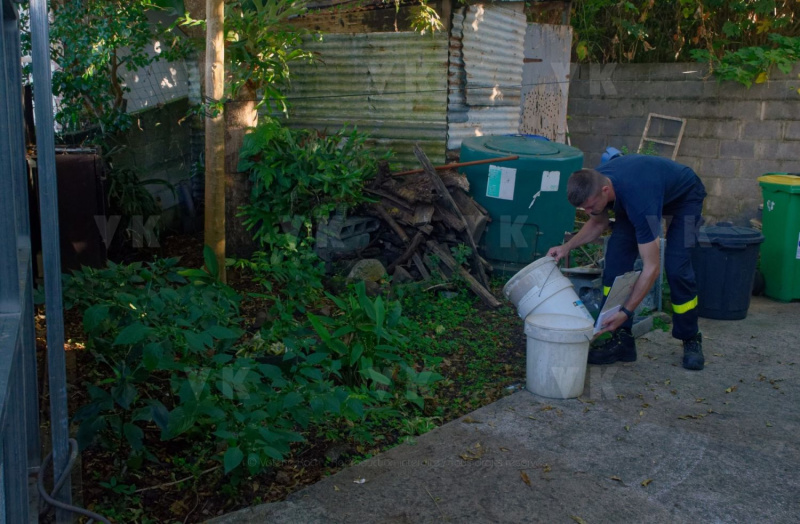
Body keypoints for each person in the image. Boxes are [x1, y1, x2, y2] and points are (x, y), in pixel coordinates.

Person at [547, 154, 707, 370]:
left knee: (677, 267)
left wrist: (627, 311)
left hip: (686, 198)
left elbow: (651, 268)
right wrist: (566, 247)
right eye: (583, 209)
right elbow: (598, 222)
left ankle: (691, 338)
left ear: (605, 191)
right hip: (645, 194)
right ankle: (622, 340)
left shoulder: (639, 201)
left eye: (589, 206)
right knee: (615, 262)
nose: (587, 213)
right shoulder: (596, 183)